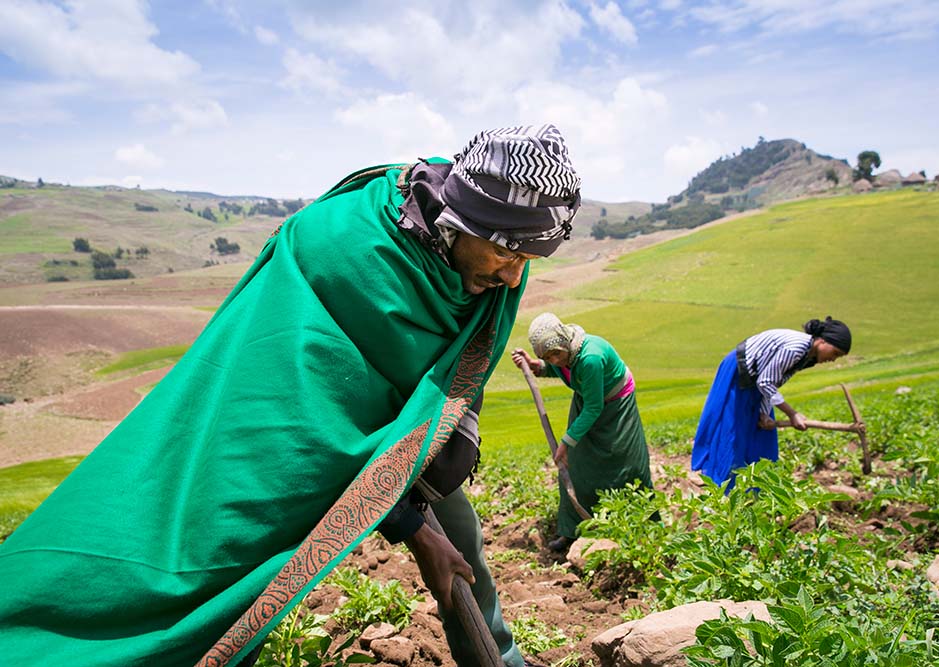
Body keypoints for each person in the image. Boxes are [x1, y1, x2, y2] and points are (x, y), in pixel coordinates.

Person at [0, 125, 582, 667]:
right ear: (459, 221)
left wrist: (446, 441)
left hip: (414, 433)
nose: (514, 277)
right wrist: (411, 526)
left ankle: (498, 658)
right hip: (272, 434)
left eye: (528, 260)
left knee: (463, 549)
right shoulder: (343, 252)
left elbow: (462, 362)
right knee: (234, 565)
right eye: (507, 256)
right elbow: (315, 426)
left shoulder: (498, 249)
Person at [511, 313, 653, 552]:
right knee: (574, 466)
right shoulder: (566, 355)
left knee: (624, 463)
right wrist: (538, 367)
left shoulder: (590, 357)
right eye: (547, 357)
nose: (554, 360)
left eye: (555, 353)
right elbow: (563, 369)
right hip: (588, 403)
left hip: (616, 407)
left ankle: (641, 526)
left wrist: (566, 441)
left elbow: (595, 407)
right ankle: (573, 530)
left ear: (564, 340)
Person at [690, 316, 852, 488]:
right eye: (835, 353)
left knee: (762, 435)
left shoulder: (807, 356)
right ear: (821, 341)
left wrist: (764, 413)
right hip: (740, 373)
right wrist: (792, 413)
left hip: (756, 382)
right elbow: (766, 382)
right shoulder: (795, 348)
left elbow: (773, 381)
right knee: (732, 430)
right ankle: (718, 481)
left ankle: (754, 489)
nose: (833, 359)